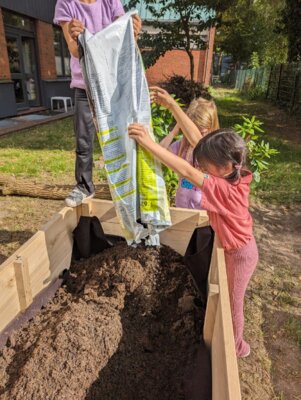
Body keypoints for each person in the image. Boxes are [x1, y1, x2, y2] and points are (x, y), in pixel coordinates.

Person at [128, 107, 258, 358]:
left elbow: (187, 171)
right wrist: (173, 107)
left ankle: (237, 348)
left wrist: (147, 142)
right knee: (230, 301)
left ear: (227, 165)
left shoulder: (224, 190)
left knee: (233, 304)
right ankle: (234, 342)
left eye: (207, 166)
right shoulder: (235, 175)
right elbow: (200, 143)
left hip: (240, 254)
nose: (202, 168)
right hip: (238, 248)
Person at [54, 0, 142, 207]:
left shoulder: (110, 1)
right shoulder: (65, 4)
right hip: (84, 84)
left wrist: (134, 33)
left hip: (111, 82)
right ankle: (84, 186)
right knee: (83, 140)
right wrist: (80, 37)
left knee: (122, 136)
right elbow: (76, 50)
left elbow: (121, 41)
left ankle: (125, 185)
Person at [151, 87, 220, 209]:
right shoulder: (183, 146)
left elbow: (198, 143)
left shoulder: (216, 151)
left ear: (211, 128)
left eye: (202, 132)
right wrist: (174, 131)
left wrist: (173, 106)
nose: (197, 135)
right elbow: (159, 152)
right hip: (182, 209)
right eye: (191, 130)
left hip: (204, 216)